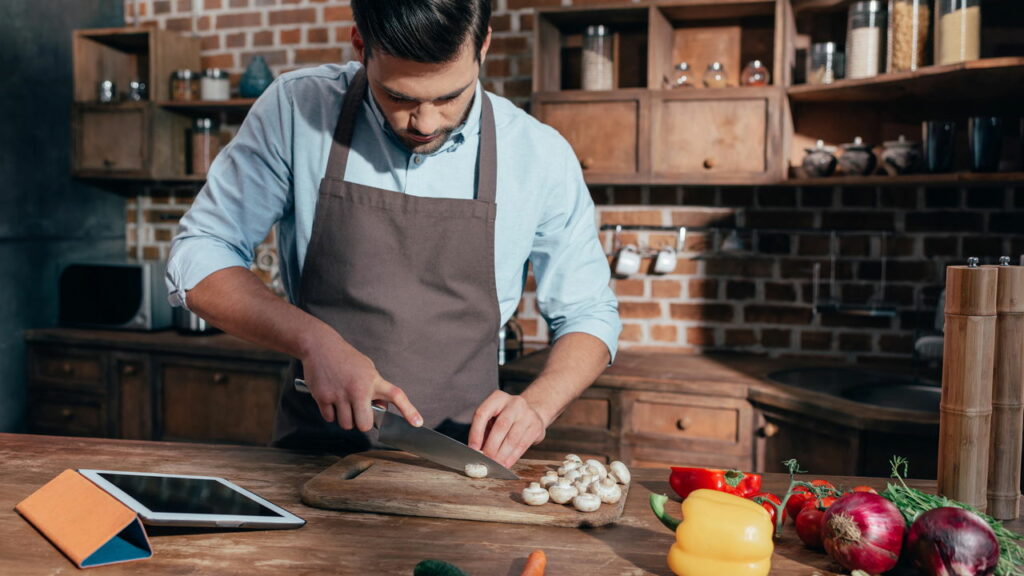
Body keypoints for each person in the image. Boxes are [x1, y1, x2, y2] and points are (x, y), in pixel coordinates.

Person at [166, 0, 621, 468]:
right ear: (360, 44)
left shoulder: (538, 154)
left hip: (464, 462)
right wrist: (314, 342)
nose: (424, 123)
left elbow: (589, 313)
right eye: (398, 97)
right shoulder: (297, 110)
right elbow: (200, 255)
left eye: (449, 97)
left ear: (483, 45)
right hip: (312, 458)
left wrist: (538, 406)